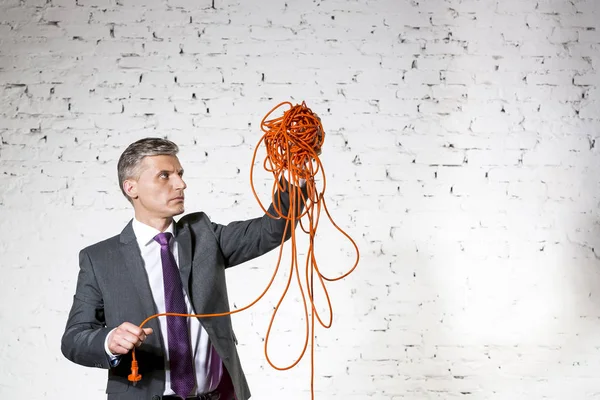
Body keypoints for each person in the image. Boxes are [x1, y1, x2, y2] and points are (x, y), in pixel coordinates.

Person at [61, 137, 308, 400]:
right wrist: (109, 341)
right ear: (131, 187)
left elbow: (272, 230)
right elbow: (74, 338)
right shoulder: (100, 259)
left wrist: (296, 176)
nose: (180, 184)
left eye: (179, 174)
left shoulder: (204, 237)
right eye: (164, 176)